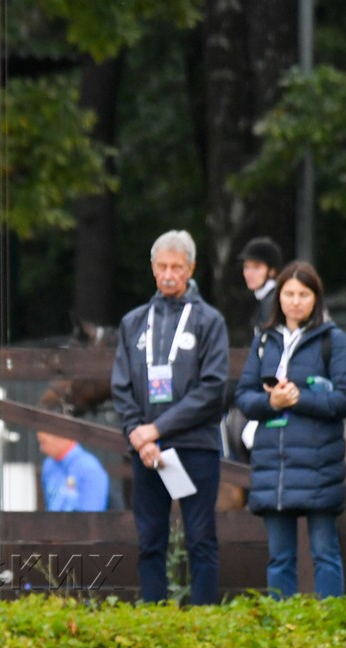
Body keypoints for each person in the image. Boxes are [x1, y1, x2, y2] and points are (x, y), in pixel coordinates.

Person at [110, 230, 231, 606]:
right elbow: (121, 385)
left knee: (200, 538)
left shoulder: (209, 321)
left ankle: (202, 618)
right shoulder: (134, 322)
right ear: (152, 267)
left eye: (176, 267)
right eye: (161, 266)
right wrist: (138, 433)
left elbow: (213, 389)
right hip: (147, 450)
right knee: (149, 540)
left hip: (194, 446)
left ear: (190, 268)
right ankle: (155, 617)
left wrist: (157, 428)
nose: (168, 274)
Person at [233, 262, 346, 599]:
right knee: (279, 558)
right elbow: (243, 396)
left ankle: (329, 623)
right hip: (274, 466)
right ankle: (282, 624)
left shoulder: (332, 339)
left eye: (303, 294)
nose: (295, 301)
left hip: (319, 463)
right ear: (278, 298)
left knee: (325, 553)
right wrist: (271, 402)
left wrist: (300, 399)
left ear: (316, 298)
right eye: (288, 294)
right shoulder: (264, 340)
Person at [36, 430, 109, 512]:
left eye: (43, 442)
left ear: (61, 437)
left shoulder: (90, 469)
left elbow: (92, 513)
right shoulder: (48, 465)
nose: (41, 449)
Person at [237, 237, 283, 338]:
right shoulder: (263, 299)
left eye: (256, 267)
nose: (249, 273)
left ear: (272, 271)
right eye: (246, 267)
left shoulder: (273, 301)